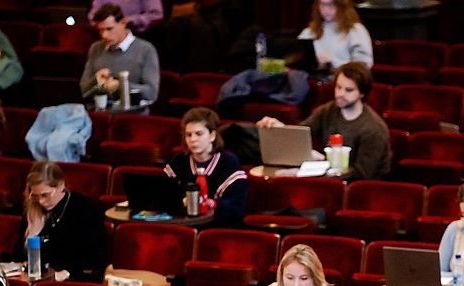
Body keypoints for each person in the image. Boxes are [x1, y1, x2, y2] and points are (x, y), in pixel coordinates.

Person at [257, 61, 390, 182]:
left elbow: (362, 173)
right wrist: (279, 127)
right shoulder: (329, 110)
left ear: (362, 93)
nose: (340, 94)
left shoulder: (373, 128)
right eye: (338, 87)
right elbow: (302, 134)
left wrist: (314, 172)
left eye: (348, 90)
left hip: (358, 188)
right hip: (329, 177)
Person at [18, 161, 108, 282]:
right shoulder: (32, 208)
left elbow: (95, 258)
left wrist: (64, 273)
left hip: (73, 280)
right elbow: (20, 253)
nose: (41, 202)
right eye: (35, 196)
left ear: (61, 186)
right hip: (35, 278)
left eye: (45, 195)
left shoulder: (84, 209)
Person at [164, 107, 247, 227]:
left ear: (212, 136)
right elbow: (165, 196)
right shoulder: (178, 161)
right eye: (188, 135)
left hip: (219, 226)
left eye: (199, 134)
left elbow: (237, 205)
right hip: (183, 224)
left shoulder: (229, 162)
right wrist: (182, 201)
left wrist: (212, 204)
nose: (193, 139)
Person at [80, 2, 160, 104]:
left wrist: (120, 85)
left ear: (123, 22)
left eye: (109, 29)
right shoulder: (96, 48)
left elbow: (151, 93)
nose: (104, 35)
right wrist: (96, 80)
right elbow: (83, 91)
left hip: (132, 115)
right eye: (100, 30)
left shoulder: (145, 50)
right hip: (101, 112)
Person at [298, 0, 373, 70]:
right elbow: (296, 55)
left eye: (331, 4)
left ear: (341, 6)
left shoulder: (355, 30)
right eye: (322, 4)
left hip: (341, 80)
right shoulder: (310, 31)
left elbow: (363, 65)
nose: (326, 9)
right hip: (313, 78)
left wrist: (332, 63)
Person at [88, 0, 162, 34]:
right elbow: (93, 15)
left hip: (137, 32)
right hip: (103, 29)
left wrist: (131, 19)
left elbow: (156, 14)